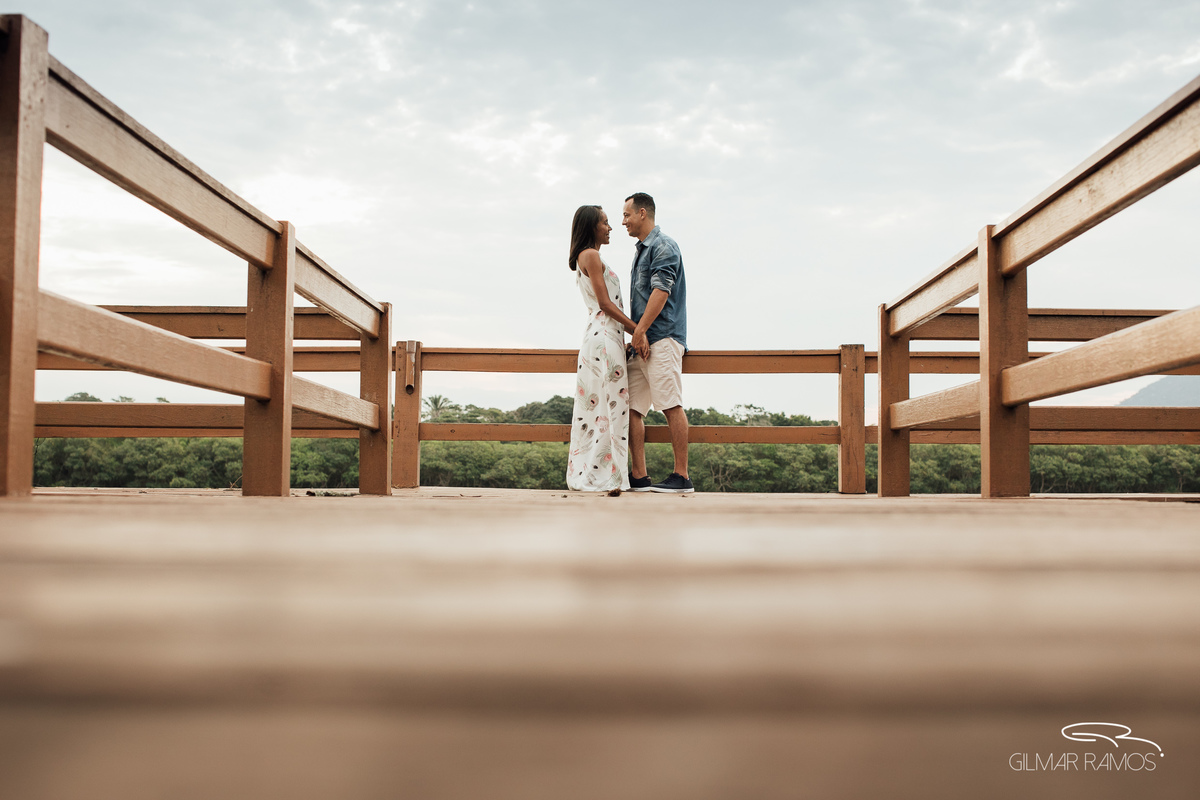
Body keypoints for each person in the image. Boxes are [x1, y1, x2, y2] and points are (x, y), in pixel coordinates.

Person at [566, 205, 646, 493]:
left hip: (602, 336)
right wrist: (638, 330)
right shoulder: (590, 255)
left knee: (602, 404)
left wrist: (627, 334)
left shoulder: (586, 256)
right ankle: (607, 475)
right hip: (602, 336)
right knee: (612, 405)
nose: (610, 227)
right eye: (605, 222)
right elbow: (605, 304)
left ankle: (601, 472)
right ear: (592, 226)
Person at [623, 192, 692, 493]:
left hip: (662, 337)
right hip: (643, 341)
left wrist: (639, 332)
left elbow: (661, 292)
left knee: (670, 404)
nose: (622, 221)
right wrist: (637, 336)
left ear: (642, 213)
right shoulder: (641, 251)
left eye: (626, 214)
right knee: (633, 408)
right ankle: (639, 475)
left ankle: (682, 476)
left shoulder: (663, 246)